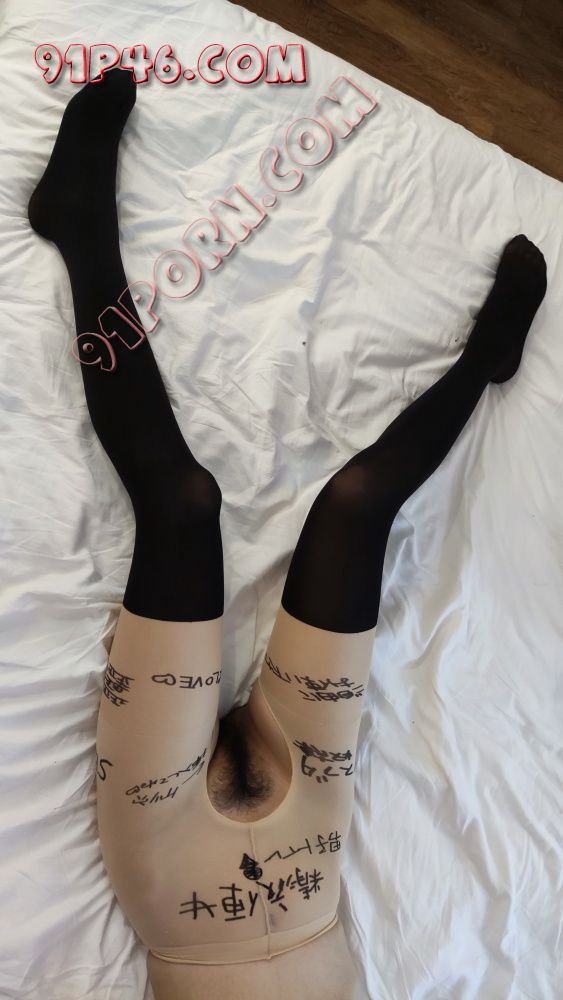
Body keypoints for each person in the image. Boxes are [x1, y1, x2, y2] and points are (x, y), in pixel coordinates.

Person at [27, 68, 547, 1000]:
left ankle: (82, 230)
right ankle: (485, 361)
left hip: (173, 869)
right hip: (307, 839)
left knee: (182, 505)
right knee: (355, 507)